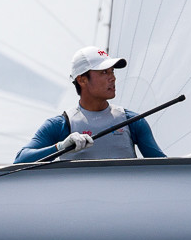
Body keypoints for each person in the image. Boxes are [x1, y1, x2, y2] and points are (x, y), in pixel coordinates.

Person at [14, 46, 168, 163]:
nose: (113, 78)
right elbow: (20, 159)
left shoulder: (133, 121)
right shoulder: (59, 125)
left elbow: (164, 167)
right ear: (82, 80)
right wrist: (60, 147)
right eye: (104, 72)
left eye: (112, 71)